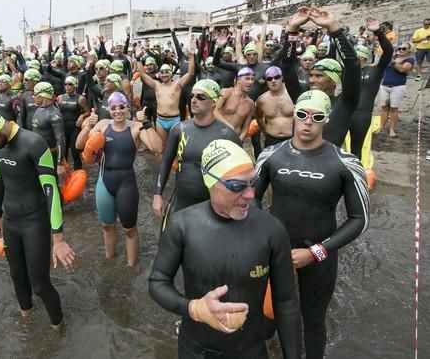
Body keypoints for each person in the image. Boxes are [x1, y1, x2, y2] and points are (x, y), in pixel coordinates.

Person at [149, 139, 301, 359]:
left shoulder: (271, 230)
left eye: (252, 182)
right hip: (195, 350)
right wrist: (193, 308)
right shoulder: (182, 225)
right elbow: (157, 282)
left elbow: (286, 302)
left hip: (251, 351)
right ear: (211, 183)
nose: (250, 194)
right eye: (236, 186)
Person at [254, 90, 369, 359]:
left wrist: (315, 252)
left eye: (317, 117)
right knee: (268, 314)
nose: (308, 122)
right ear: (294, 114)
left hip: (319, 254)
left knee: (314, 319)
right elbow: (251, 201)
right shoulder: (270, 155)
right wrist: (265, 239)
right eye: (302, 114)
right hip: (276, 251)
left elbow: (359, 220)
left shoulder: (345, 163)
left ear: (326, 119)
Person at [0, 108, 76, 328]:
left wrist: (59, 238)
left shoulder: (34, 143)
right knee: (16, 275)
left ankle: (58, 327)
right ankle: (27, 320)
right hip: (10, 221)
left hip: (34, 223)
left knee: (40, 285)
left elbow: (51, 189)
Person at [76, 92, 162, 266]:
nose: (117, 111)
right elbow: (79, 146)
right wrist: (87, 127)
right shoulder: (102, 125)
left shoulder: (136, 128)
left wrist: (147, 123)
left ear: (127, 108)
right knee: (107, 226)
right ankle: (109, 260)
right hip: (104, 180)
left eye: (121, 107)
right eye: (113, 108)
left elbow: (157, 147)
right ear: (109, 109)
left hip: (126, 183)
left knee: (129, 229)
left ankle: (130, 267)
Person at [153, 79, 241, 226]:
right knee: (168, 245)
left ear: (213, 102)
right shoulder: (179, 129)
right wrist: (157, 194)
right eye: (192, 96)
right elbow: (166, 163)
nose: (194, 100)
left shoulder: (227, 135)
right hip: (180, 202)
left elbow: (239, 175)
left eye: (201, 97)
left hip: (211, 206)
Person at [281, 5, 361, 147]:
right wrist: (292, 30)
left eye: (319, 76)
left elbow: (353, 65)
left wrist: (334, 28)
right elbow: (287, 66)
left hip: (327, 166)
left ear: (333, 80)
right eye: (311, 75)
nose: (312, 80)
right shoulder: (302, 97)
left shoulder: (346, 102)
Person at [348, 17, 394, 158]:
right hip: (344, 113)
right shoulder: (348, 71)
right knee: (333, 144)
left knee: (355, 151)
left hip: (361, 115)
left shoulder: (375, 70)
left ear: (361, 57)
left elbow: (388, 52)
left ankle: (355, 177)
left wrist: (378, 33)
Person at [136, 40, 196, 145]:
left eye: (167, 72)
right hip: (160, 121)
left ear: (171, 73)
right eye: (162, 72)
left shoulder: (177, 85)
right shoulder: (156, 85)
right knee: (161, 147)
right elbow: (142, 74)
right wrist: (137, 58)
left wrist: (191, 56)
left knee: (175, 147)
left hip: (174, 120)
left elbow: (191, 73)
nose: (164, 75)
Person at [377, 42, 414, 138]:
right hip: (385, 85)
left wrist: (392, 61)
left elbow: (402, 70)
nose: (401, 50)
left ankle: (391, 129)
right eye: (399, 48)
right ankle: (381, 127)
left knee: (394, 108)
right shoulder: (393, 58)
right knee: (384, 107)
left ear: (409, 50)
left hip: (398, 86)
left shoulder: (410, 60)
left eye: (404, 48)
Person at [31, 82, 66, 176]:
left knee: (52, 182)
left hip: (50, 154)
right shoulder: (38, 109)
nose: (33, 97)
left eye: (35, 94)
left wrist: (60, 163)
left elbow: (60, 139)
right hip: (37, 153)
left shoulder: (54, 114)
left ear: (43, 95)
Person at [255, 66, 294, 147]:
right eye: (269, 79)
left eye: (276, 77)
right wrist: (266, 132)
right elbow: (258, 117)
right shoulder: (262, 100)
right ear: (266, 81)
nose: (273, 81)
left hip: (292, 138)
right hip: (271, 139)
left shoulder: (292, 95)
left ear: (282, 78)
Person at [57, 75, 89, 170]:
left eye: (70, 84)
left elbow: (88, 111)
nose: (67, 86)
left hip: (74, 129)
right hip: (63, 129)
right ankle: (65, 176)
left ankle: (78, 175)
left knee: (75, 153)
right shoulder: (60, 98)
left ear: (75, 86)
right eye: (65, 84)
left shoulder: (80, 99)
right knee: (63, 153)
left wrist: (82, 116)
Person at [214, 67, 255, 140]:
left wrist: (240, 140)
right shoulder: (226, 92)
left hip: (235, 137)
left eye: (252, 79)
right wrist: (230, 126)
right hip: (219, 134)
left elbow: (246, 127)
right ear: (238, 80)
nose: (250, 82)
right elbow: (214, 111)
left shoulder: (251, 104)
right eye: (247, 78)